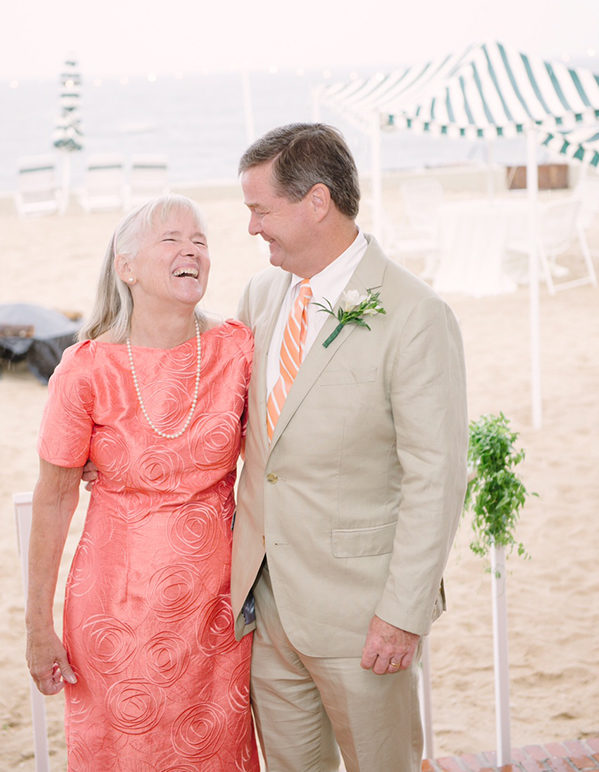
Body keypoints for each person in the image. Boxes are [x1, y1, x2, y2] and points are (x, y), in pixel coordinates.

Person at [230, 123, 468, 771]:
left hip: (363, 618)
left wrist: (401, 614)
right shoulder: (258, 296)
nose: (251, 227)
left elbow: (437, 476)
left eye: (259, 210)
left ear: (315, 202)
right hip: (268, 611)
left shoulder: (415, 315)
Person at [25, 194, 259, 770]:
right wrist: (37, 626)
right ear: (125, 266)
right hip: (115, 610)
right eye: (172, 239)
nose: (191, 252)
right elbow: (53, 500)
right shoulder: (85, 370)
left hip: (217, 613)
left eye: (201, 241)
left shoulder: (238, 349)